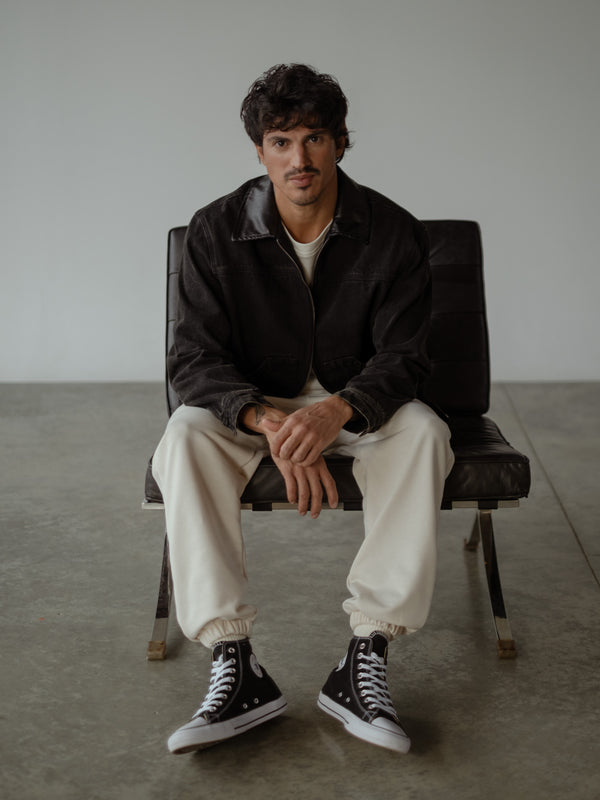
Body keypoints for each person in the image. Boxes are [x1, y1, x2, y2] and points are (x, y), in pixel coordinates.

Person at [152, 63, 454, 755]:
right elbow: (193, 360)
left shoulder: (393, 230)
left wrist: (335, 414)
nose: (299, 158)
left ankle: (365, 655)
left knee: (426, 433)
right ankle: (235, 663)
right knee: (184, 435)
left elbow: (404, 359)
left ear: (342, 143)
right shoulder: (214, 230)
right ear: (259, 151)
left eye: (315, 138)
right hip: (255, 408)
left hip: (357, 407)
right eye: (281, 141)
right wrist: (272, 420)